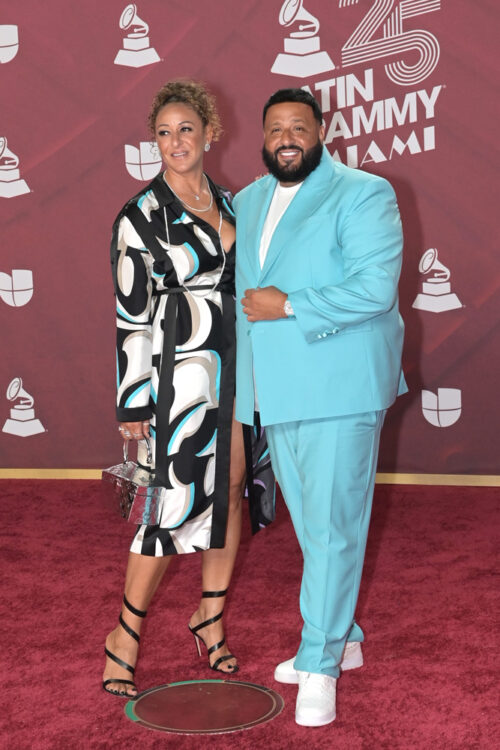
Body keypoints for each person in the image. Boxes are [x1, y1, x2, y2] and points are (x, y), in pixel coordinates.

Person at [233, 88, 407, 726]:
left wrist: (292, 303)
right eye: (274, 126)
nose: (286, 137)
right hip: (275, 390)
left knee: (332, 530)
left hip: (340, 385)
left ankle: (321, 659)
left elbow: (374, 287)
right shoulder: (247, 200)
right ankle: (347, 636)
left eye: (297, 127)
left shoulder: (363, 192)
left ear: (320, 131)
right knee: (314, 529)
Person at [103, 79, 273, 697]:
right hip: (176, 377)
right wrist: (133, 402)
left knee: (228, 494)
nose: (175, 141)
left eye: (185, 129)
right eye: (164, 132)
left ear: (209, 133)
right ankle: (125, 633)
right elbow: (130, 317)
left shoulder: (231, 204)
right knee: (169, 509)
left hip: (237, 370)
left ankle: (210, 616)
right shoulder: (140, 216)